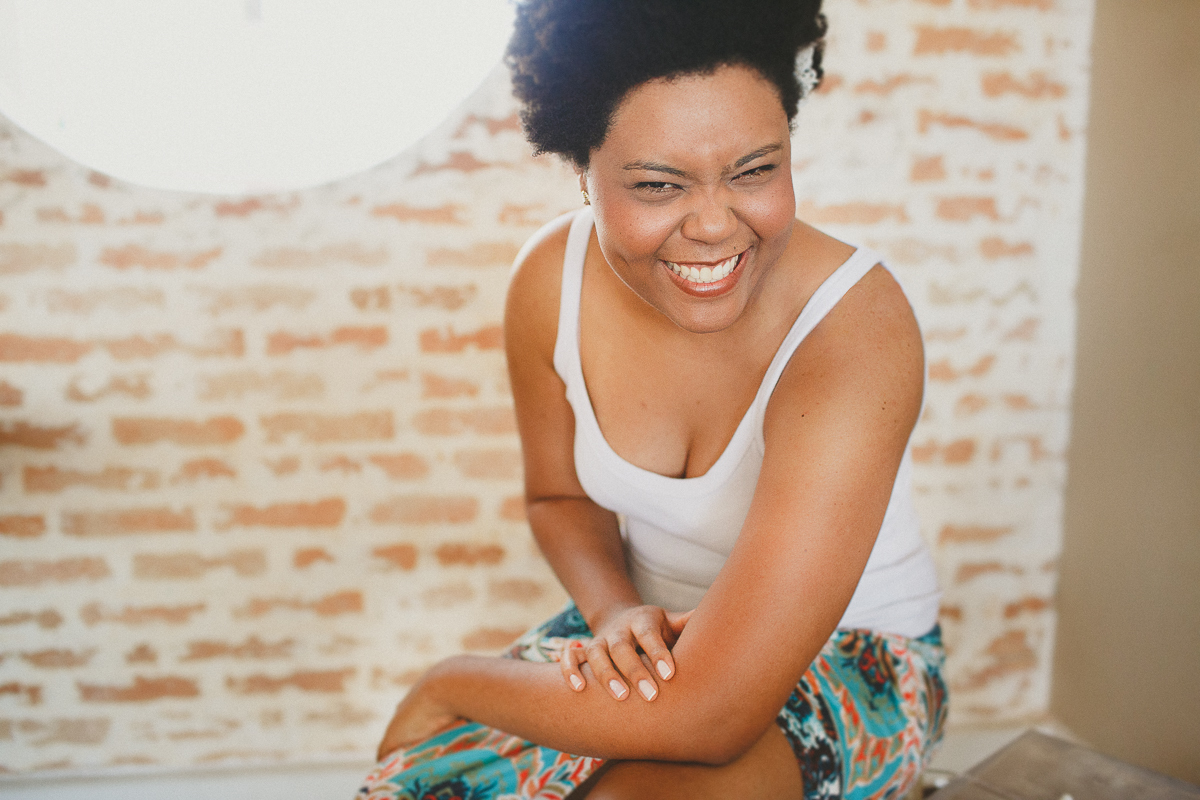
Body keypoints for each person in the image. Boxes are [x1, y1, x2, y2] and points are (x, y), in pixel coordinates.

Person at [358, 0, 947, 797]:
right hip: (646, 632)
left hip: (851, 655)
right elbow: (561, 497)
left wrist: (449, 683)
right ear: (583, 170)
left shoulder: (854, 329)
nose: (713, 225)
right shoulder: (549, 283)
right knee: (416, 784)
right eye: (659, 184)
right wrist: (611, 612)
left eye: (755, 170)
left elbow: (710, 716)